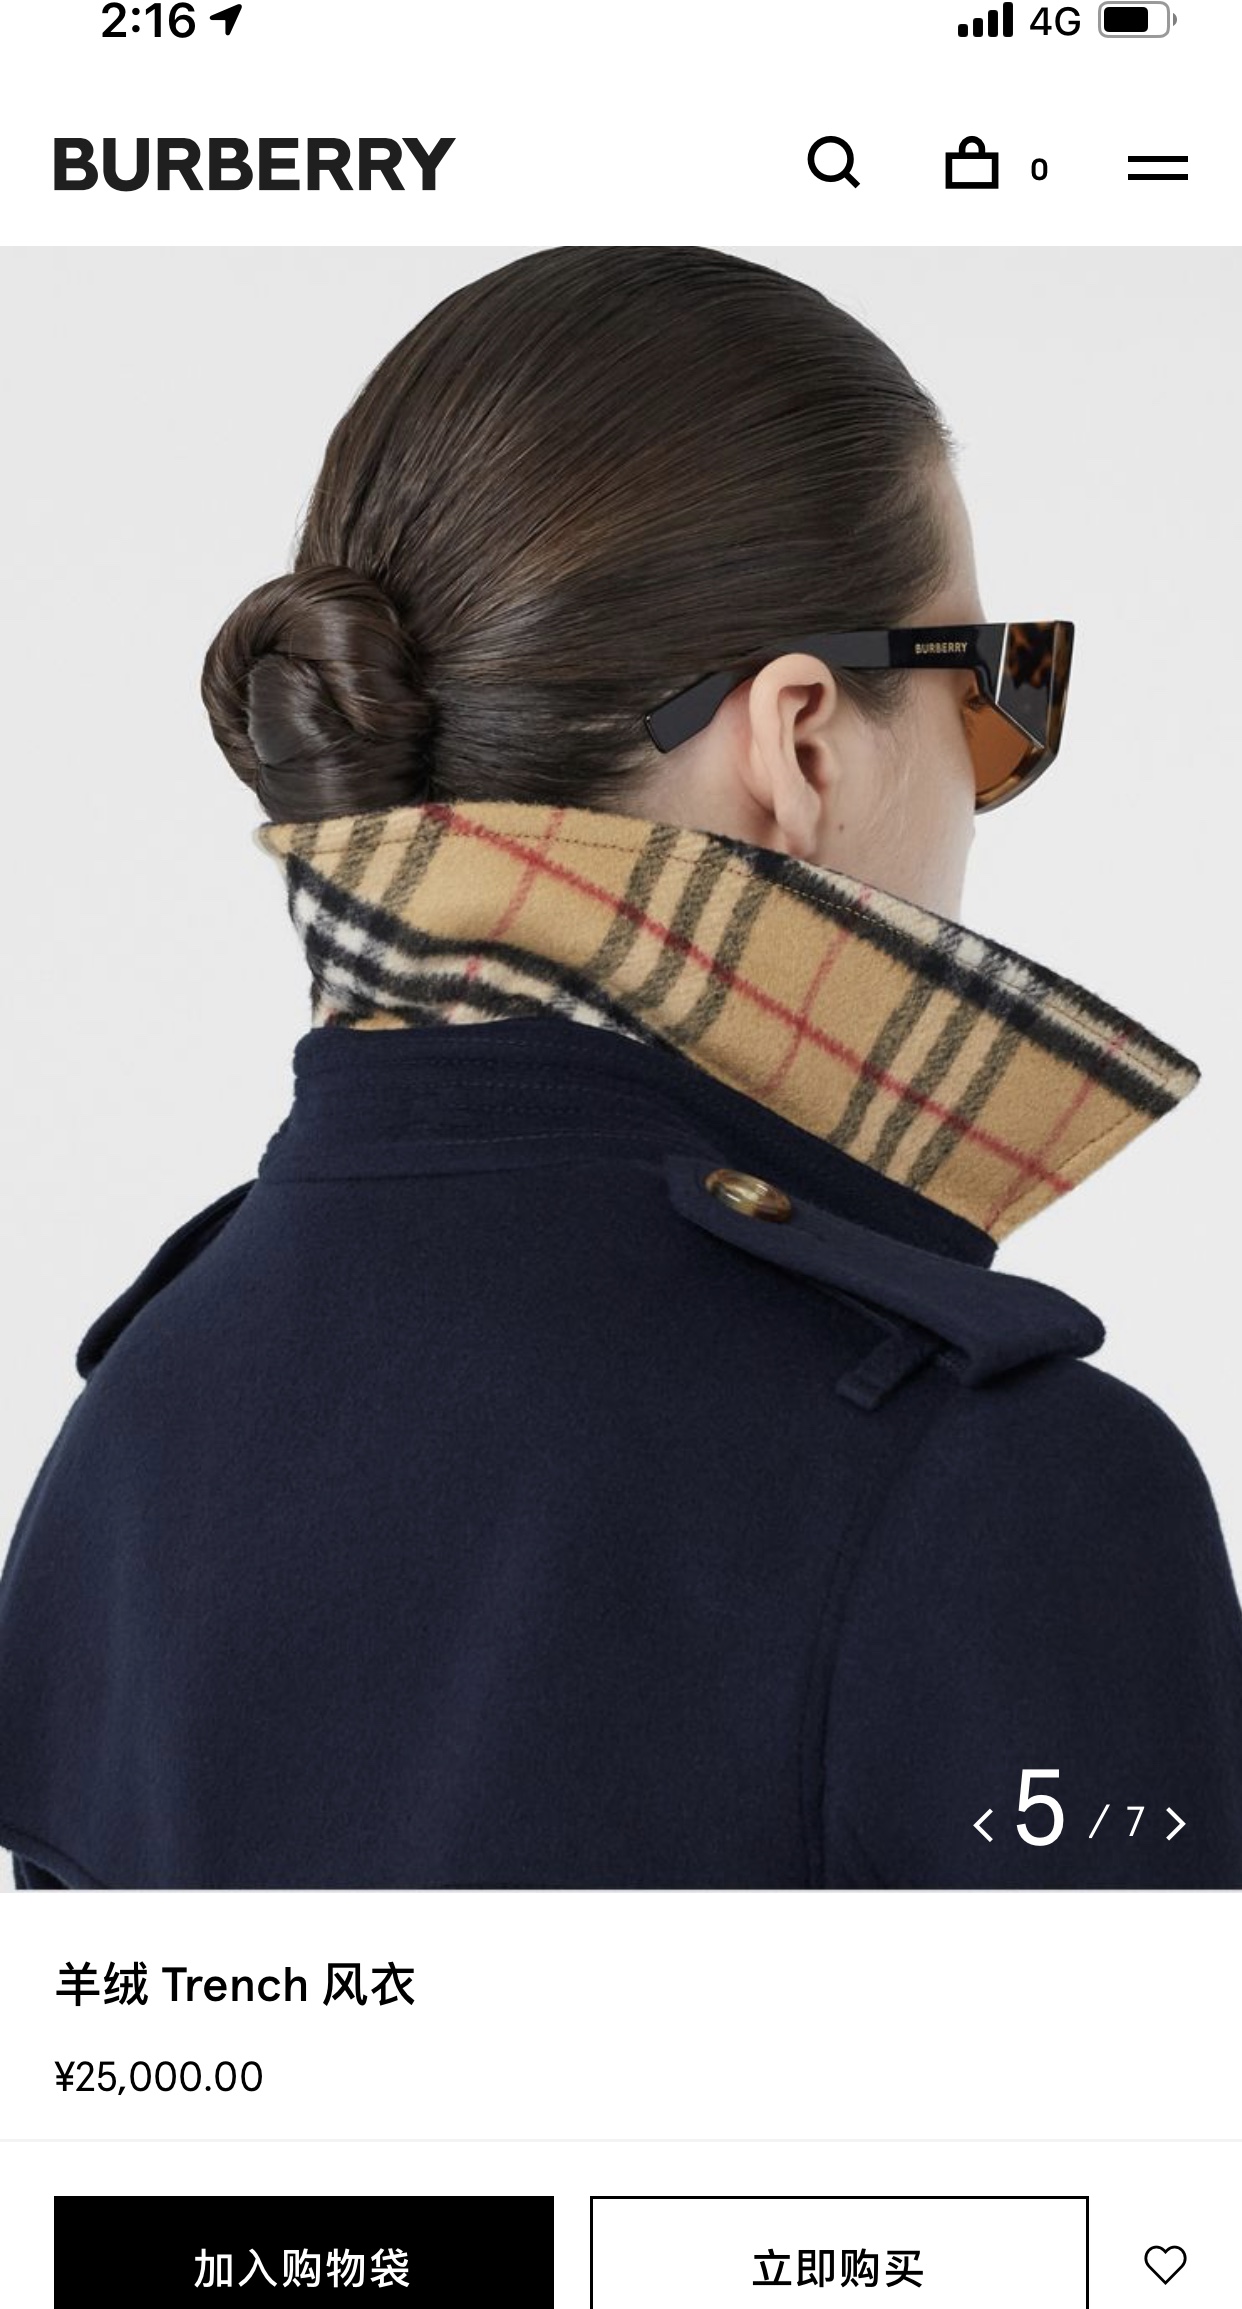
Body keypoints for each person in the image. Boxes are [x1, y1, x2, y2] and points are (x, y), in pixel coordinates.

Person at [1, 243, 1239, 1890]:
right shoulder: (1008, 1493)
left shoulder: (135, 1426)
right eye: (994, 692)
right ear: (800, 743)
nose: (989, 773)